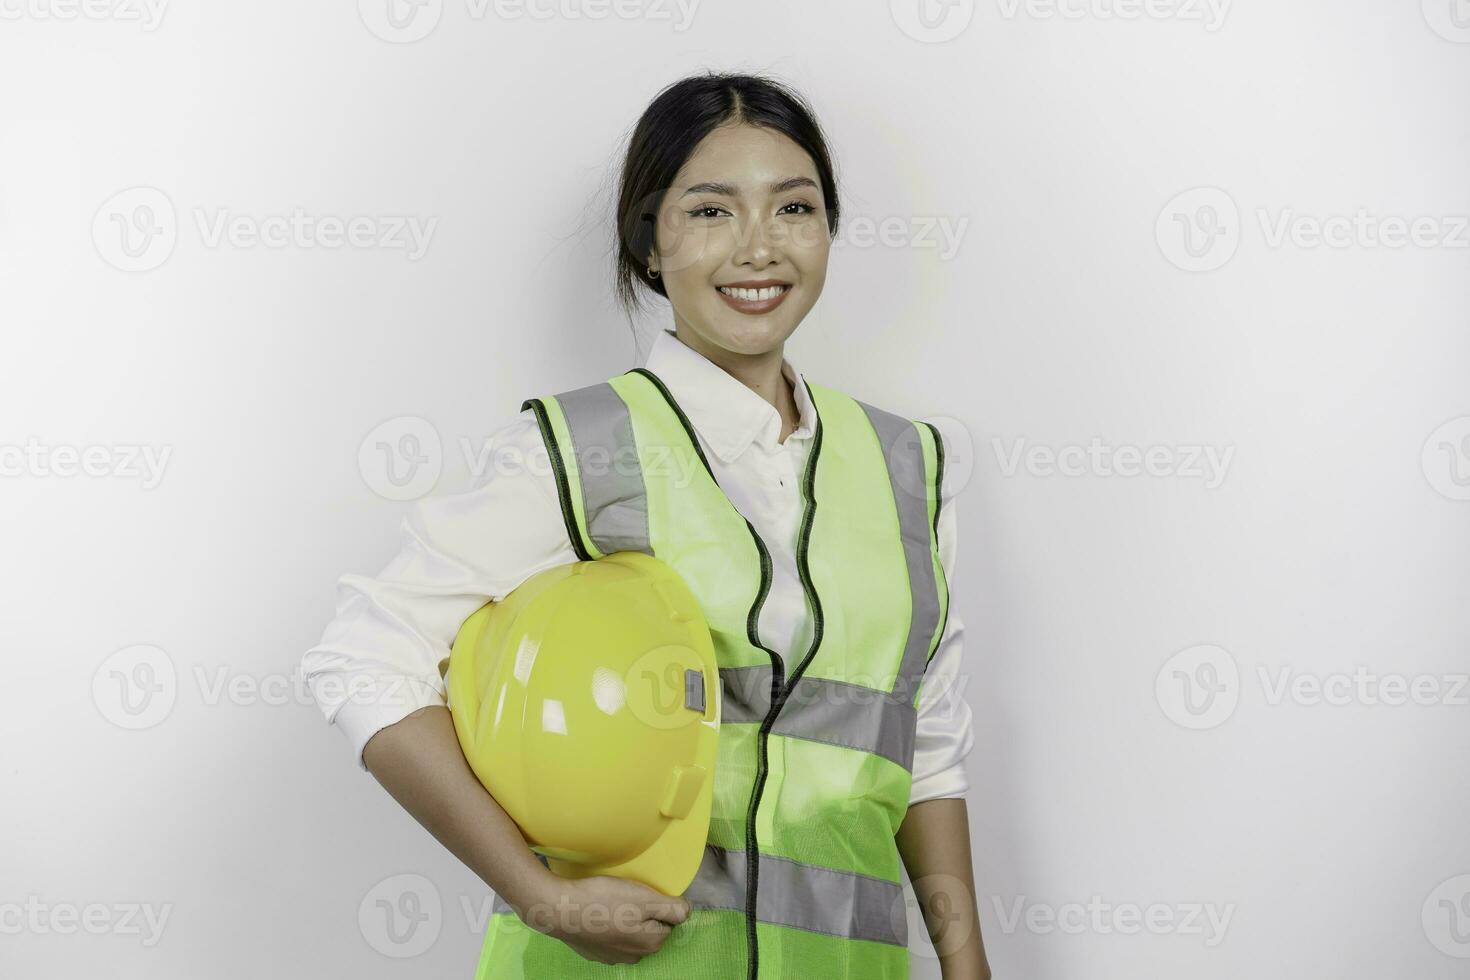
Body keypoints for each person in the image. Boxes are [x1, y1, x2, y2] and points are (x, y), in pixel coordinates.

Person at [300, 70, 991, 979]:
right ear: (650, 245)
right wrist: (538, 895)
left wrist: (965, 960)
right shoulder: (580, 447)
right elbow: (363, 658)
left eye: (794, 208)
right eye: (710, 211)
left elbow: (925, 745)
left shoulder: (909, 464)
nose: (758, 247)